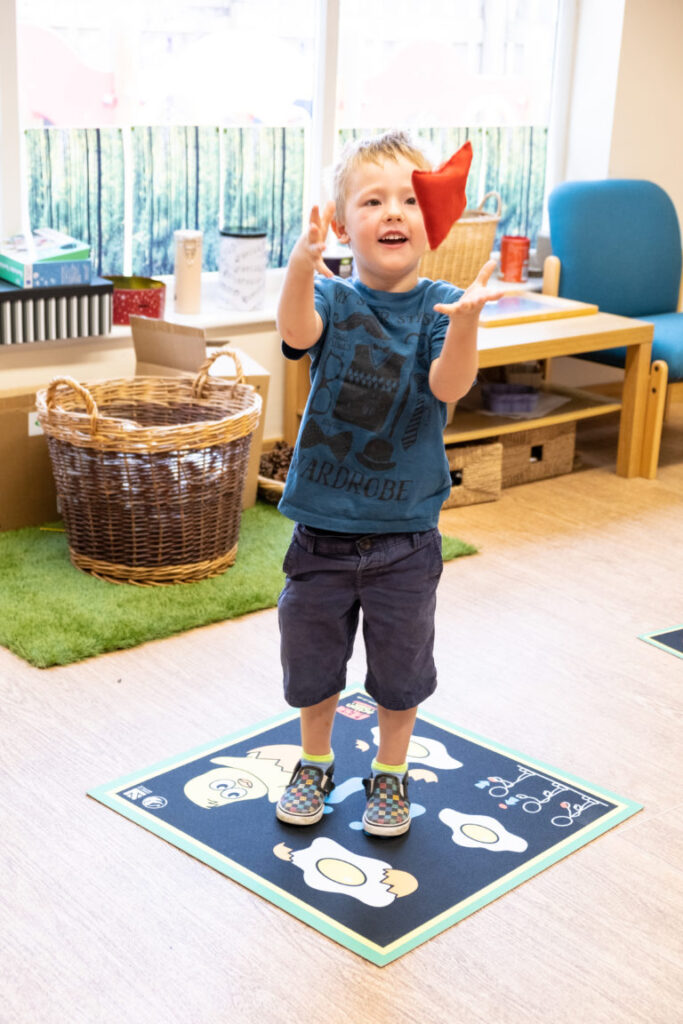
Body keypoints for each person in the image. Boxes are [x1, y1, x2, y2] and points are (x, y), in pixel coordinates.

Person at [274, 130, 503, 837]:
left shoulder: (438, 303)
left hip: (406, 537)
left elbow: (449, 385)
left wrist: (463, 326)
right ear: (343, 225)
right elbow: (294, 328)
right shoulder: (334, 301)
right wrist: (299, 266)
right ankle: (315, 760)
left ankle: (390, 773)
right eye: (372, 200)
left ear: (429, 222)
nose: (393, 212)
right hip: (321, 532)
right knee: (311, 661)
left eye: (408, 198)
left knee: (400, 671)